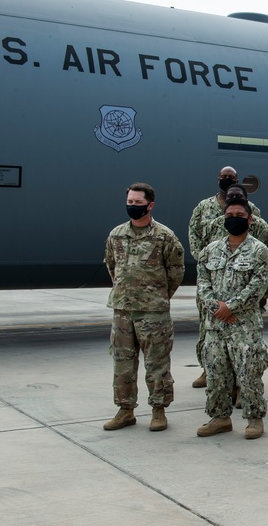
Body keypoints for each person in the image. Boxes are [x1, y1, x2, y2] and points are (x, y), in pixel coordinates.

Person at [103, 183, 185, 432]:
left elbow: (176, 272)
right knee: (122, 363)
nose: (133, 206)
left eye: (138, 203)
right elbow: (112, 266)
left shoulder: (164, 236)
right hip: (123, 311)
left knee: (157, 364)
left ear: (150, 205)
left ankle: (158, 411)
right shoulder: (116, 234)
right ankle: (125, 410)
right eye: (130, 201)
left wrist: (158, 296)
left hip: (153, 313)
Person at [195, 198, 268, 440]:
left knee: (249, 373)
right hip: (215, 326)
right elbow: (202, 283)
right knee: (217, 373)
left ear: (250, 220)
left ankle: (254, 418)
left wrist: (231, 307)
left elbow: (258, 287)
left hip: (245, 326)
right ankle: (219, 418)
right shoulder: (210, 250)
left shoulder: (260, 251)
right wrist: (215, 307)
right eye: (230, 214)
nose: (234, 217)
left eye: (240, 214)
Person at [187, 167, 260, 389]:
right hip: (212, 277)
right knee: (207, 329)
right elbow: (194, 235)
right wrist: (206, 264)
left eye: (231, 179)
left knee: (241, 336)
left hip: (239, 283)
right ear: (218, 180)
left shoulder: (252, 210)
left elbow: (259, 241)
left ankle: (238, 380)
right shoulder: (204, 207)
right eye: (224, 178)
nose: (227, 181)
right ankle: (206, 369)